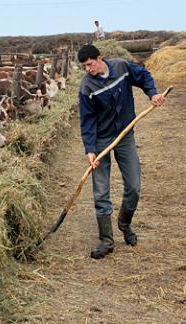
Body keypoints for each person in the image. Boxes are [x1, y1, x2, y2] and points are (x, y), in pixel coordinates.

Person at [77, 44, 165, 259]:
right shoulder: (87, 87)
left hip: (125, 136)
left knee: (134, 186)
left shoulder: (122, 67)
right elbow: (87, 121)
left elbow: (143, 75)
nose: (88, 69)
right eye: (84, 66)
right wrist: (90, 149)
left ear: (100, 58)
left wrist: (152, 94)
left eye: (90, 64)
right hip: (101, 141)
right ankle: (106, 240)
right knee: (101, 191)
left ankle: (125, 224)